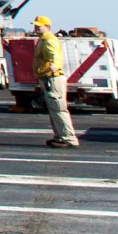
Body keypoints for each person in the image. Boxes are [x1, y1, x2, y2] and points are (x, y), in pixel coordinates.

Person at [33, 16, 80, 148]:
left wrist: (55, 67)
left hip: (52, 78)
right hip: (47, 78)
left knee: (59, 109)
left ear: (47, 27)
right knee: (54, 109)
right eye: (35, 26)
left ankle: (69, 138)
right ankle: (60, 136)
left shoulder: (49, 40)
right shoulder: (42, 40)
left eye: (39, 26)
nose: (36, 28)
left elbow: (55, 55)